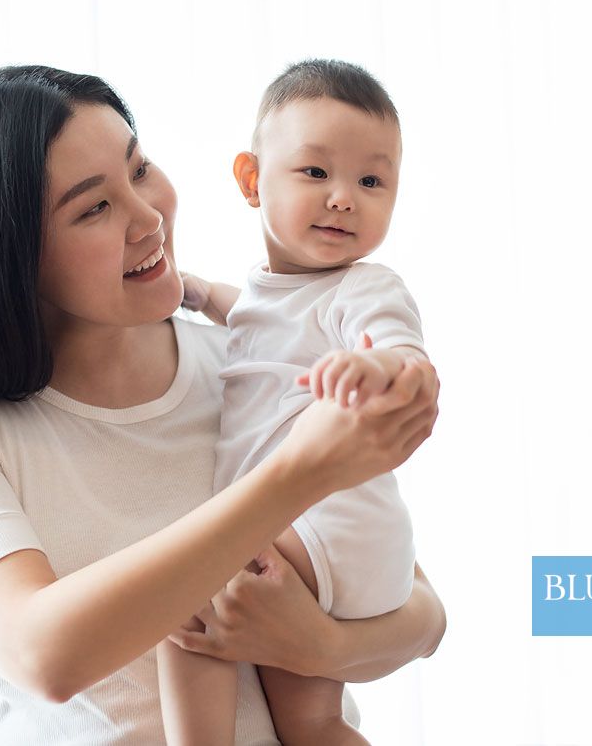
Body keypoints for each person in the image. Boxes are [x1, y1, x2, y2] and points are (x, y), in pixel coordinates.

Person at [0, 65, 444, 745]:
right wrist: (296, 474)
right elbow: (45, 654)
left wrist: (315, 646)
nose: (148, 216)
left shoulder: (244, 362)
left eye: (141, 167)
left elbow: (421, 614)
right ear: (10, 253)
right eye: (95, 207)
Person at [160, 60, 427, 745]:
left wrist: (371, 366)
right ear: (251, 180)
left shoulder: (363, 288)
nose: (344, 197)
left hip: (330, 524)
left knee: (187, 594)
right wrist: (193, 291)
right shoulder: (264, 293)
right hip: (346, 548)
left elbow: (404, 354)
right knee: (312, 725)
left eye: (371, 181)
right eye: (316, 173)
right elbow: (245, 310)